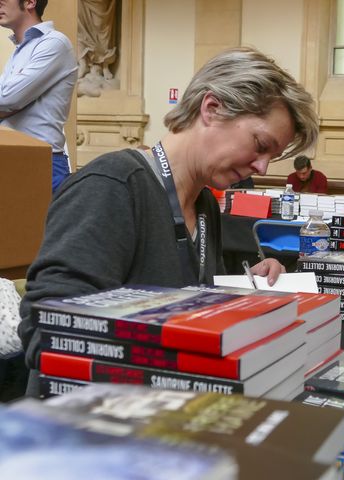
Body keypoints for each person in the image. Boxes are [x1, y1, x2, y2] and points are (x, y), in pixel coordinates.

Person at [17, 47, 319, 396]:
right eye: (260, 144)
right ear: (212, 108)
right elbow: (47, 331)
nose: (263, 168)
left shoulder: (205, 204)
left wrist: (244, 291)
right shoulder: (112, 186)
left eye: (272, 156)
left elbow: (193, 302)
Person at [0, 0, 78, 192]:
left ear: (30, 2)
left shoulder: (54, 42)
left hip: (41, 158)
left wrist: (10, 105)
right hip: (14, 153)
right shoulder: (21, 49)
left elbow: (7, 98)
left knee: (37, 222)